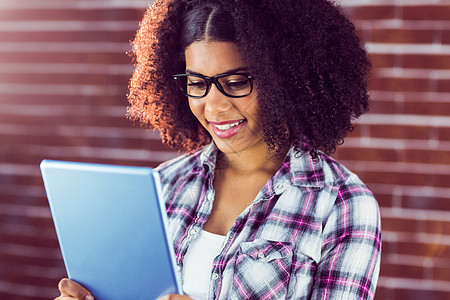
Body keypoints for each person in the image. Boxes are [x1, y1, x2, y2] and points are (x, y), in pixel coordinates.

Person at [55, 0, 381, 299]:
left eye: (236, 82)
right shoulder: (164, 185)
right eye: (197, 84)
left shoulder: (341, 204)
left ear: (285, 79)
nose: (213, 106)